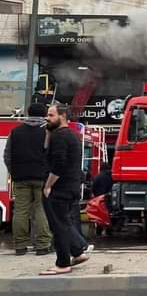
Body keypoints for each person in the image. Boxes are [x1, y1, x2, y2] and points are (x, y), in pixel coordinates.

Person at [40, 104, 90, 275]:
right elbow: (50, 153)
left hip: (60, 188)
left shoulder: (60, 137)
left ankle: (62, 263)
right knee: (65, 222)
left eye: (51, 115)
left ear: (62, 116)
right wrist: (48, 134)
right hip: (72, 186)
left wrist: (48, 185)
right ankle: (77, 252)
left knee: (59, 226)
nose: (47, 118)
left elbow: (59, 163)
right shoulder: (71, 135)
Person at [3, 103, 53, 255]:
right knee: (40, 208)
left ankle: (20, 245)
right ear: (44, 114)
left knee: (21, 210)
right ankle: (43, 245)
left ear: (28, 114)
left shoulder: (16, 131)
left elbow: (7, 155)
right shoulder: (48, 132)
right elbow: (52, 155)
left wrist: (14, 172)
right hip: (42, 177)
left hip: (20, 177)